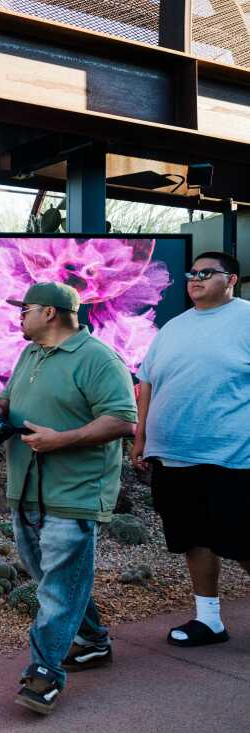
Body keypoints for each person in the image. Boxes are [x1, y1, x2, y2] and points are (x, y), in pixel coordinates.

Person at [0, 282, 136, 715]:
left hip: (74, 493)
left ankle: (44, 674)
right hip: (26, 487)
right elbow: (15, 398)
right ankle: (92, 641)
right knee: (50, 579)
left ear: (50, 313)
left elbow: (123, 421)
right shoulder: (30, 353)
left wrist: (62, 439)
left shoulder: (98, 359)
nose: (19, 315)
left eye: (24, 308)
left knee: (59, 590)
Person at [131, 251, 250, 647]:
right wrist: (141, 437)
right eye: (192, 273)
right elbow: (147, 383)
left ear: (230, 279)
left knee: (242, 541)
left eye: (206, 272)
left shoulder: (246, 318)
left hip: (234, 456)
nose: (195, 278)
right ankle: (209, 620)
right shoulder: (172, 328)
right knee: (193, 539)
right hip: (173, 455)